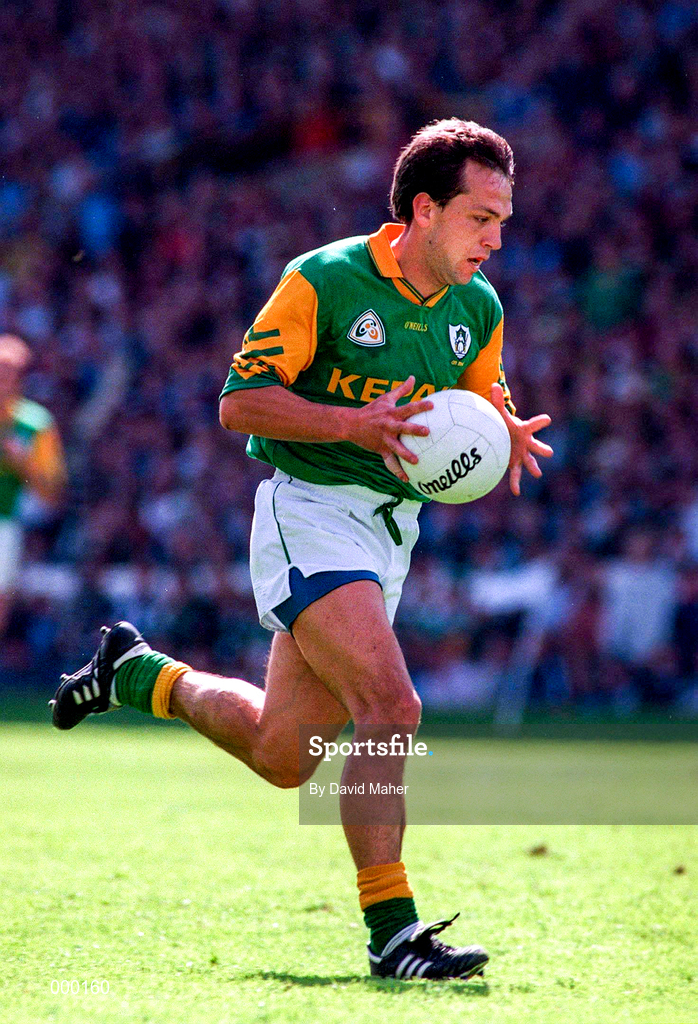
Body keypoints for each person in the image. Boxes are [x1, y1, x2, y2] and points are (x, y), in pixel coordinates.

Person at [50, 119, 552, 980]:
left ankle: (134, 671)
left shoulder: (480, 308)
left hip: (392, 533)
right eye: (481, 218)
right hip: (311, 511)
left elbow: (476, 405)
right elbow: (240, 403)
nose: (496, 239)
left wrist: (503, 434)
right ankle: (394, 934)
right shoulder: (322, 279)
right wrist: (354, 424)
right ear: (424, 211)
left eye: (503, 220)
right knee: (393, 709)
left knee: (286, 755)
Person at [0, 334, 66, 638]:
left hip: (5, 524)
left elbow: (52, 493)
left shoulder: (36, 425)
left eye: (8, 372)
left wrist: (23, 464)